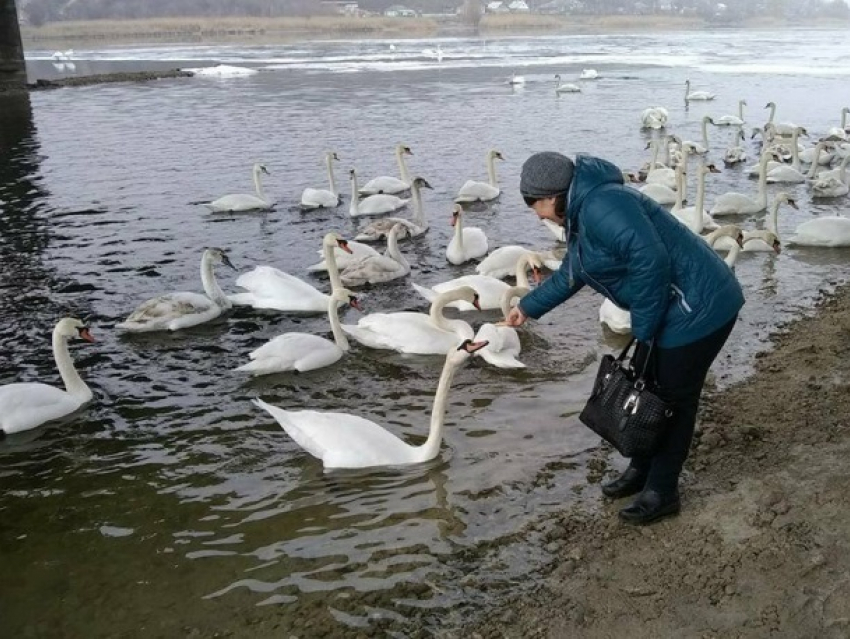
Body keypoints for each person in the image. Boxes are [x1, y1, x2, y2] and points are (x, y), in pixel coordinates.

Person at [506, 151, 744, 525]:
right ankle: (641, 469)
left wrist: (645, 329)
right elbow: (574, 270)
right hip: (675, 308)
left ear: (551, 196)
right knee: (647, 388)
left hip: (699, 308)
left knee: (672, 402)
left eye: (534, 204)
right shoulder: (584, 212)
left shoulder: (603, 205)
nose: (536, 214)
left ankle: (662, 491)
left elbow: (651, 261)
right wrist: (529, 307)